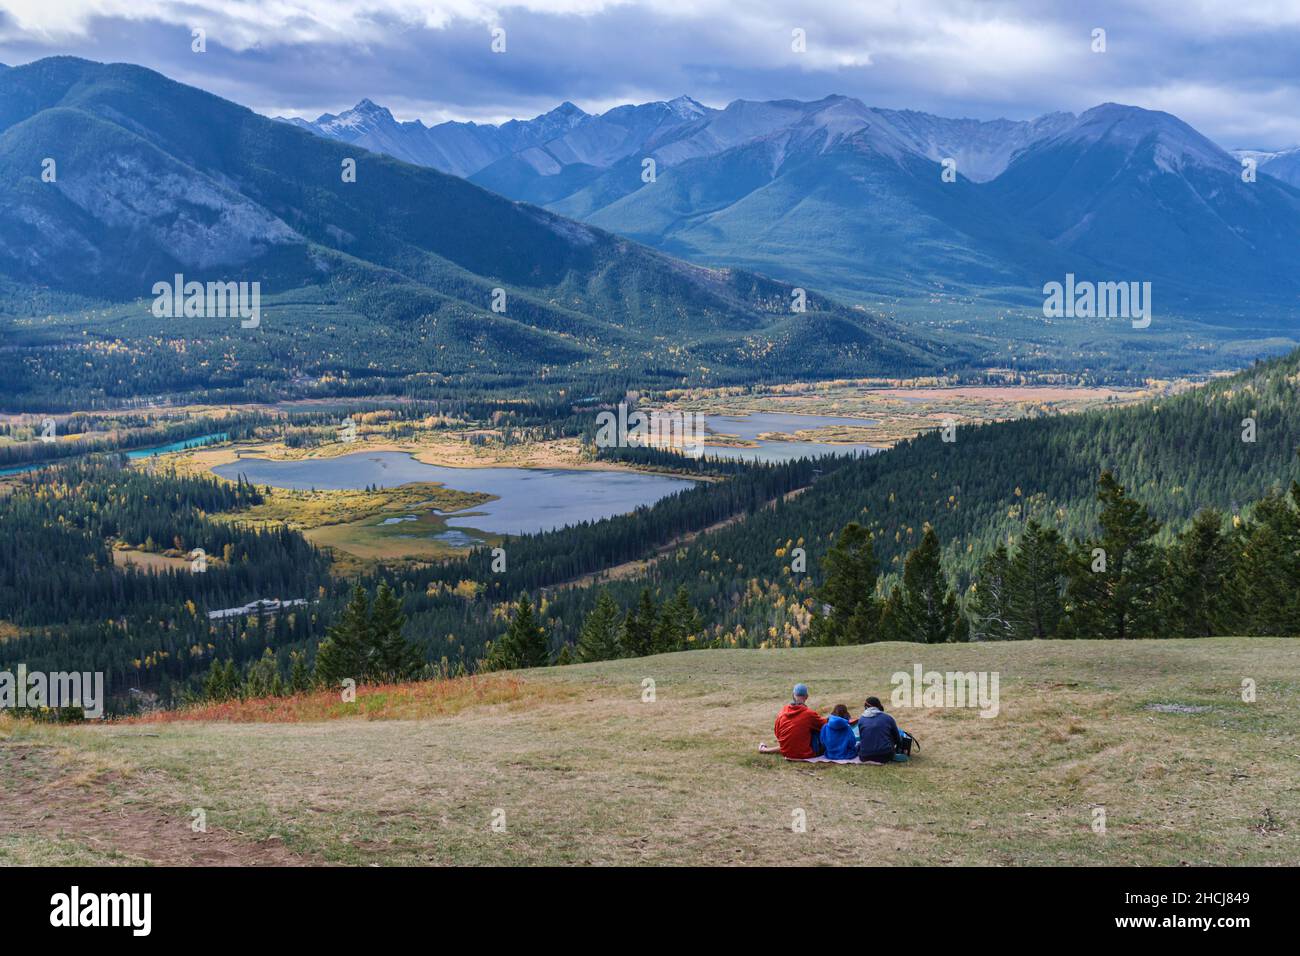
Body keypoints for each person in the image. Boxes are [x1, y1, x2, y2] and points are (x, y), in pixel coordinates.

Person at [771, 683, 827, 759]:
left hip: (786, 752)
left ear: (793, 695)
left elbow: (777, 732)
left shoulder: (783, 712)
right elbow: (825, 725)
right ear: (806, 697)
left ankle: (766, 750)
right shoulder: (809, 714)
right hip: (805, 754)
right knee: (820, 731)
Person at [856, 696, 901, 764]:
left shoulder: (861, 719)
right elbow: (897, 738)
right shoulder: (888, 718)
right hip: (886, 756)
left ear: (866, 706)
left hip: (864, 756)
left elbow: (862, 738)